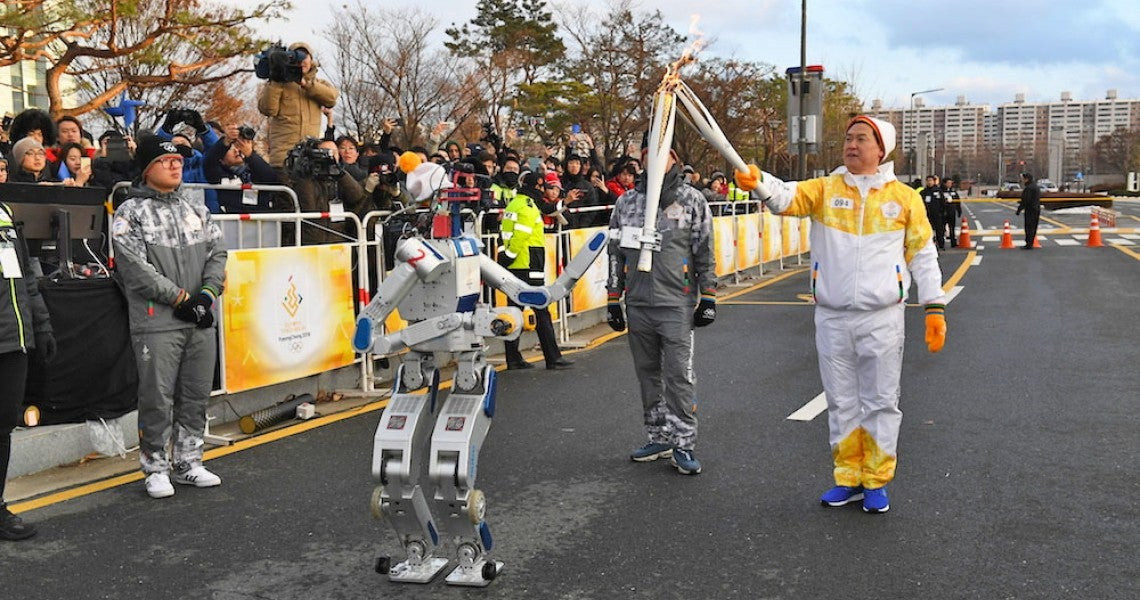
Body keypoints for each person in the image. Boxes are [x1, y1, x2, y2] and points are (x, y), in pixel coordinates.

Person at [734, 115, 947, 513]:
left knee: (881, 401)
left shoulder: (904, 199)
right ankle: (848, 477)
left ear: (881, 148)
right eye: (848, 138)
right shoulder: (825, 189)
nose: (851, 145)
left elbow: (923, 254)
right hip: (831, 316)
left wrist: (934, 305)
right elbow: (784, 198)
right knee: (841, 401)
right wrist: (758, 180)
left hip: (882, 316)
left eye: (861, 139)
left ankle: (876, 481)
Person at [111, 135, 227, 499]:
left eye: (179, 159)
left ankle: (189, 461)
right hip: (156, 321)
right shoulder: (130, 213)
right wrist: (180, 299)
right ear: (147, 169)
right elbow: (134, 268)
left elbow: (218, 254)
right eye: (166, 161)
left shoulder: (196, 208)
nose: (176, 164)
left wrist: (206, 297)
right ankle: (155, 466)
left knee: (195, 393)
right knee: (156, 397)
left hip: (198, 318)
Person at [606, 136, 716, 476]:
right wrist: (613, 298)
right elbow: (614, 253)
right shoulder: (626, 203)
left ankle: (683, 443)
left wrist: (708, 295)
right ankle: (658, 436)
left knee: (679, 377)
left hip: (676, 303)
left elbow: (705, 248)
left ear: (672, 155)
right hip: (638, 302)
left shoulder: (691, 199)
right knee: (647, 375)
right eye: (645, 153)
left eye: (659, 151)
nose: (652, 158)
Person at [1, 176, 57, 540]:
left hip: (12, 342)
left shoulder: (5, 212)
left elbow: (26, 279)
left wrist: (43, 326)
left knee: (3, 427)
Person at [498, 171, 573, 371]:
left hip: (516, 265)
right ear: (536, 187)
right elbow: (520, 237)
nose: (544, 191)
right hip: (529, 265)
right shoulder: (528, 208)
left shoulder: (514, 204)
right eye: (542, 187)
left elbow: (505, 234)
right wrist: (511, 255)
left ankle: (513, 358)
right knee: (541, 310)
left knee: (514, 312)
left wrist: (506, 258)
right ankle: (553, 357)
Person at [257, 42, 339, 168]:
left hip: (309, 160)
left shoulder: (319, 84)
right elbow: (268, 109)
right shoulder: (278, 85)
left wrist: (306, 84)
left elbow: (331, 99)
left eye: (304, 56)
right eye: (296, 57)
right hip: (283, 158)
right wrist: (277, 78)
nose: (302, 61)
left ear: (311, 59)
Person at [920, 174, 946, 249]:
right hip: (926, 215)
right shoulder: (923, 192)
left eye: (931, 181)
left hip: (937, 214)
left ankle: (941, 244)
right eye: (928, 181)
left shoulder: (938, 191)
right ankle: (928, 245)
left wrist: (942, 212)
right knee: (927, 230)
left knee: (939, 230)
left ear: (934, 182)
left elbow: (942, 202)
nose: (929, 182)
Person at [1016, 172, 1041, 250]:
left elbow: (1026, 200)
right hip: (1036, 209)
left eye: (1023, 178)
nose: (1022, 180)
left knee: (1029, 227)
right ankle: (1031, 242)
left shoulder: (1029, 188)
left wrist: (1019, 209)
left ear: (1027, 179)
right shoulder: (1036, 187)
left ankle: (1028, 244)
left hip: (1030, 210)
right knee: (1033, 227)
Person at [942, 176, 962, 247]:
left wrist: (959, 211)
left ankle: (953, 242)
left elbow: (958, 202)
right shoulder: (940, 191)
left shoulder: (953, 192)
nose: (950, 184)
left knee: (952, 227)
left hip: (951, 212)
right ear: (944, 183)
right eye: (948, 183)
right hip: (943, 212)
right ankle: (941, 243)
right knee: (942, 228)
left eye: (951, 183)